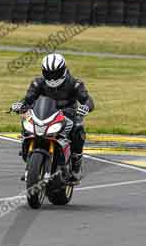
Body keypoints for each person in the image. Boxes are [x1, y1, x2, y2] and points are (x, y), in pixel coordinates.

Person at [11, 53, 94, 182]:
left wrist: (86, 107)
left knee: (78, 128)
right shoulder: (38, 83)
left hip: (67, 114)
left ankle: (76, 162)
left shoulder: (75, 84)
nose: (52, 77)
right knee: (26, 121)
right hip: (43, 113)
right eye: (49, 74)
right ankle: (28, 150)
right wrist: (20, 105)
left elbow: (87, 99)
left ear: (63, 69)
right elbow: (28, 98)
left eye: (56, 73)